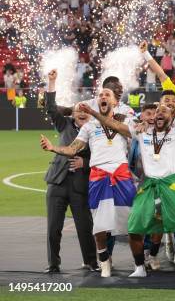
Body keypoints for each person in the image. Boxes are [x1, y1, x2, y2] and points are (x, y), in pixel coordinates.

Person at [80, 102, 175, 281]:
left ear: (172, 117)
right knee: (134, 228)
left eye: (164, 111)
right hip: (148, 185)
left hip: (171, 184)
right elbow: (114, 124)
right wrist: (93, 112)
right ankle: (140, 267)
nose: (159, 113)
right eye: (157, 111)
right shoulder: (141, 132)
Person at [40, 88, 136, 278]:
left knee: (131, 222)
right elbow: (71, 149)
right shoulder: (89, 128)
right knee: (99, 224)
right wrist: (53, 148)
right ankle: (103, 261)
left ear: (115, 102)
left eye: (107, 95)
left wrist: (94, 114)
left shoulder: (125, 120)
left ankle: (139, 263)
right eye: (100, 95)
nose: (102, 97)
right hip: (98, 177)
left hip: (121, 175)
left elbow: (126, 132)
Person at [42, 70, 97, 274]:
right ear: (72, 114)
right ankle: (53, 264)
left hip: (80, 185)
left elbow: (103, 159)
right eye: (77, 109)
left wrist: (86, 162)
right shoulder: (63, 124)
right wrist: (52, 81)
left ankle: (91, 262)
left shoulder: (96, 131)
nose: (81, 112)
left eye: (85, 110)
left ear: (90, 114)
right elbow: (50, 107)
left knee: (85, 227)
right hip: (57, 182)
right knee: (53, 228)